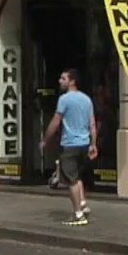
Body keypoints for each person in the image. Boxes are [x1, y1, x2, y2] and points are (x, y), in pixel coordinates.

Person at [39, 68, 97, 226]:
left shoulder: (64, 99)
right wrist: (93, 144)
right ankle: (83, 203)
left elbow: (56, 121)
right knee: (76, 176)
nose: (60, 81)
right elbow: (92, 123)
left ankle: (78, 214)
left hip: (69, 145)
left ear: (72, 81)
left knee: (70, 180)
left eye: (63, 78)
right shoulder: (86, 99)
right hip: (84, 144)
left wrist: (45, 140)